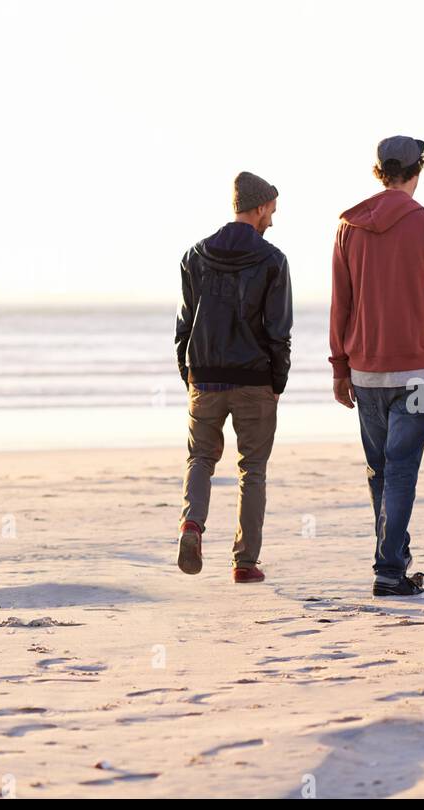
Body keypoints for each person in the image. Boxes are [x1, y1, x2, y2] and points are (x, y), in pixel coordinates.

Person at [329, 136, 424, 598]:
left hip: (365, 371)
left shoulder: (349, 228)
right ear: (417, 170)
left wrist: (339, 367)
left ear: (379, 171)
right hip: (420, 374)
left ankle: (395, 558)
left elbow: (340, 305)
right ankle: (389, 568)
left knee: (380, 470)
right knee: (401, 470)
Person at [174, 172, 293, 583]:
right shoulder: (272, 260)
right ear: (259, 207)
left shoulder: (195, 255)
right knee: (252, 469)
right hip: (254, 379)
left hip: (204, 377)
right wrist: (278, 382)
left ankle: (192, 525)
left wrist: (187, 372)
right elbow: (278, 331)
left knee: (200, 458)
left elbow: (184, 325)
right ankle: (245, 563)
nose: (272, 221)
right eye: (271, 212)